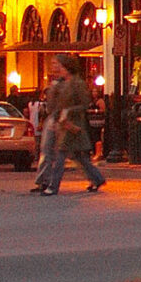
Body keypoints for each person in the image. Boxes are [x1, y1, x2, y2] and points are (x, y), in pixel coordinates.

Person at [33, 56, 105, 196]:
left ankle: (53, 186)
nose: (60, 70)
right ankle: (97, 178)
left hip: (73, 124)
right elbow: (55, 104)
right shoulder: (62, 84)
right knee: (79, 157)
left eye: (63, 68)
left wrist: (68, 112)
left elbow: (84, 104)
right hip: (64, 123)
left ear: (68, 68)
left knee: (61, 155)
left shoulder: (78, 83)